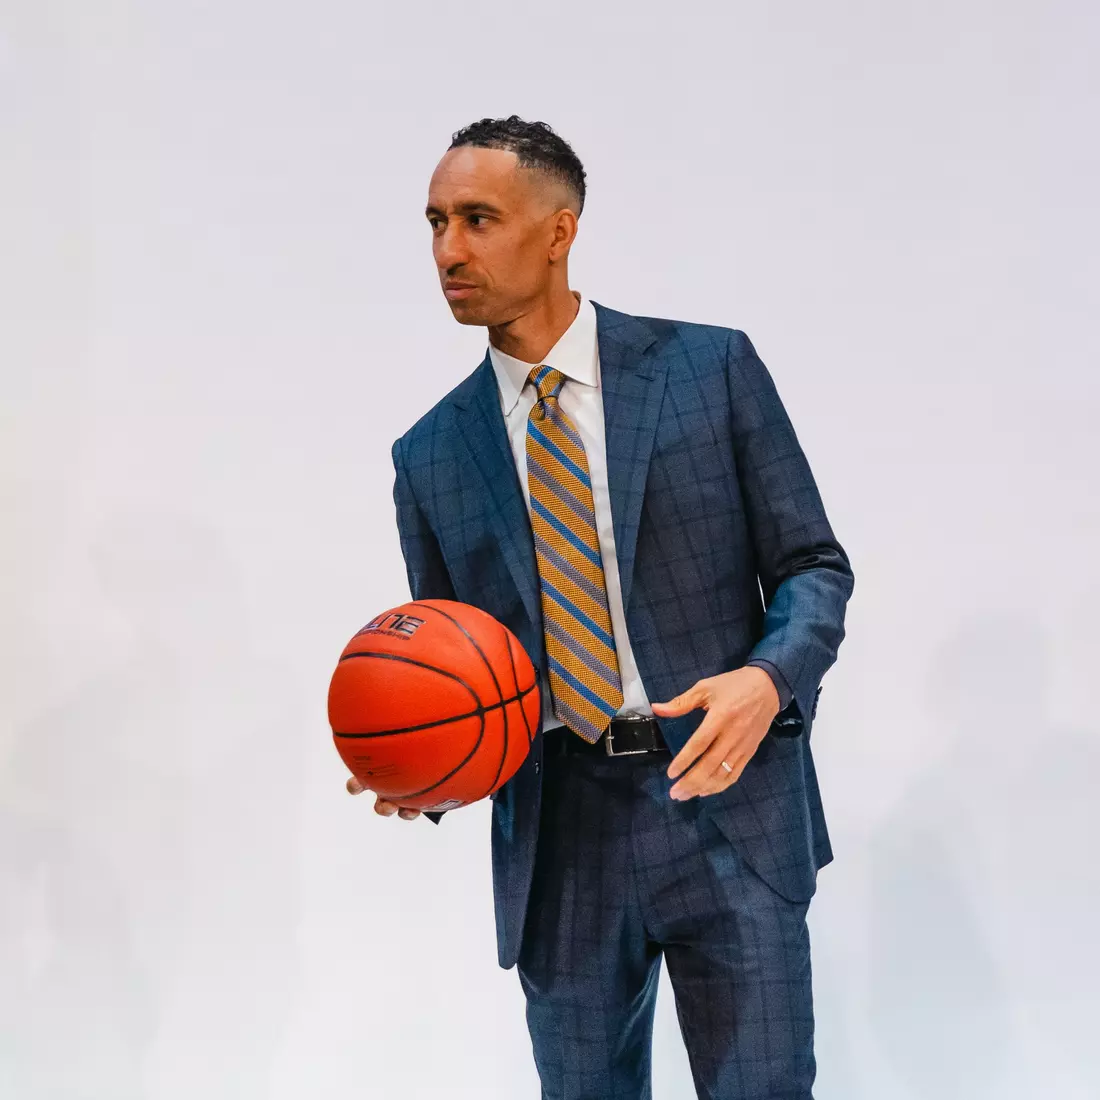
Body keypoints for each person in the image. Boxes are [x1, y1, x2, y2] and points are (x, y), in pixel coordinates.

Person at [347, 114, 854, 1099]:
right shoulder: (430, 454)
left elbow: (812, 566)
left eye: (478, 219)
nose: (448, 249)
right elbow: (455, 661)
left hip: (727, 805)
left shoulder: (708, 370)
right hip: (561, 839)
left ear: (558, 230)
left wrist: (766, 679)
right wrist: (427, 771)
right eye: (435, 223)